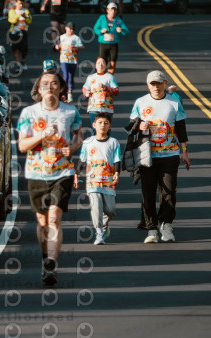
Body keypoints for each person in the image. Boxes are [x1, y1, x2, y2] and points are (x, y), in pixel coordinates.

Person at [17, 72, 82, 286]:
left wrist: (72, 147)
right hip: (36, 173)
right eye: (45, 83)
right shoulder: (29, 113)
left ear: (61, 88)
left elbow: (78, 135)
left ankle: (52, 264)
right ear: (39, 88)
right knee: (43, 221)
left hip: (62, 172)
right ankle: (46, 258)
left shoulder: (70, 111)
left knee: (54, 218)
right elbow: (22, 145)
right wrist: (42, 135)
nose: (50, 87)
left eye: (54, 83)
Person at [129, 70, 190, 244]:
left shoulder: (174, 102)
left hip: (170, 154)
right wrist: (139, 126)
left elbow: (181, 128)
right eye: (152, 84)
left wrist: (185, 151)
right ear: (148, 85)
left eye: (159, 83)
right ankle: (151, 228)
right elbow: (130, 126)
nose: (156, 87)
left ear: (165, 84)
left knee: (168, 191)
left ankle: (167, 224)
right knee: (148, 192)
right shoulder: (141, 102)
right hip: (147, 156)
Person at [74, 112, 122, 245]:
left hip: (108, 180)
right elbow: (82, 160)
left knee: (111, 210)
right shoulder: (88, 142)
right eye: (100, 123)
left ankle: (104, 224)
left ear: (110, 126)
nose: (102, 126)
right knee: (96, 207)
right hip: (92, 181)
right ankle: (99, 233)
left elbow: (117, 159)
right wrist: (76, 174)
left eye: (106, 123)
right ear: (94, 125)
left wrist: (116, 173)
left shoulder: (113, 142)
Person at [82, 57, 119, 129]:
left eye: (103, 63)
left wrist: (105, 88)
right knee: (95, 129)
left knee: (106, 130)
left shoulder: (110, 77)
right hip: (93, 107)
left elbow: (116, 91)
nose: (100, 65)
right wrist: (86, 93)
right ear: (95, 65)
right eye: (98, 63)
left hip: (106, 108)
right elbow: (85, 88)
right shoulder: (90, 77)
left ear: (106, 65)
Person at [93, 2, 129, 74]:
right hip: (103, 44)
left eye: (115, 10)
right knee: (102, 62)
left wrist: (121, 30)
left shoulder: (118, 20)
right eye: (111, 10)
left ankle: (110, 77)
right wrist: (101, 31)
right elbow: (95, 28)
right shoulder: (102, 18)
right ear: (107, 10)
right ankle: (102, 77)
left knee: (113, 63)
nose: (113, 12)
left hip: (114, 44)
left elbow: (126, 30)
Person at [55, 21, 84, 103]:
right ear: (66, 28)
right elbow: (56, 46)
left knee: (71, 76)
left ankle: (70, 91)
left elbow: (82, 46)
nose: (71, 30)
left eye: (72, 29)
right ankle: (63, 92)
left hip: (73, 60)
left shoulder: (76, 38)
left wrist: (74, 46)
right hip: (64, 59)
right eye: (69, 28)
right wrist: (58, 46)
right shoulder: (62, 37)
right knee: (65, 75)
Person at [8, 0, 32, 71]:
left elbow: (29, 21)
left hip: (23, 32)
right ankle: (18, 65)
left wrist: (25, 17)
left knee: (24, 49)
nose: (21, 5)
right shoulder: (12, 11)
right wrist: (18, 15)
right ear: (15, 3)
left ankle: (23, 61)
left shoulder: (26, 11)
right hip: (14, 33)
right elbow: (11, 20)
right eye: (19, 4)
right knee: (16, 50)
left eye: (22, 4)